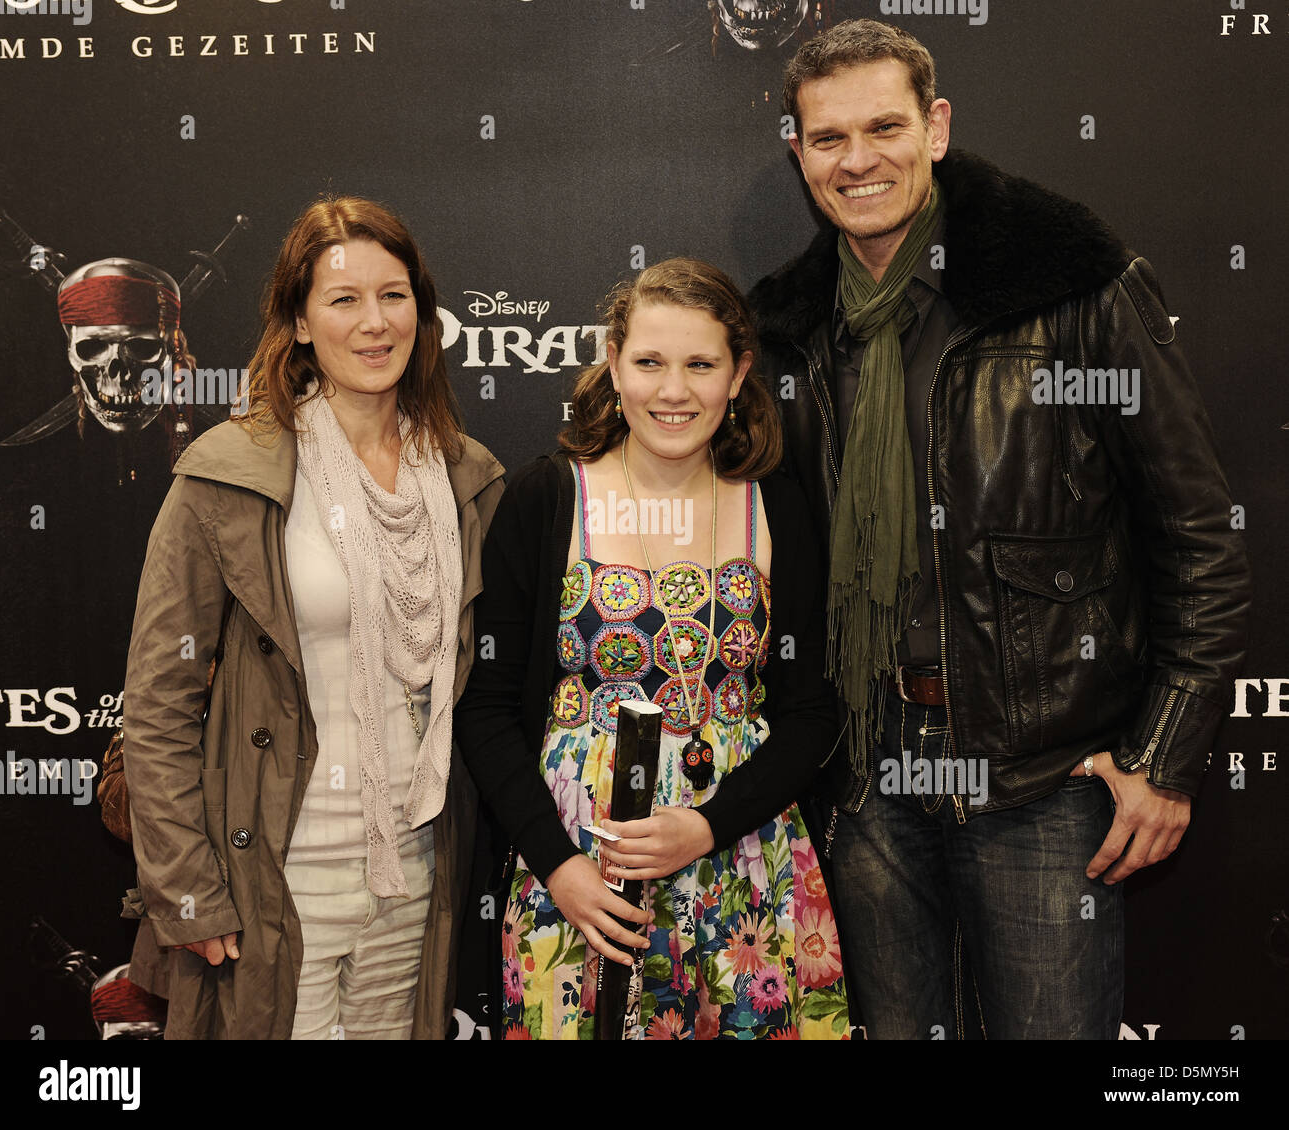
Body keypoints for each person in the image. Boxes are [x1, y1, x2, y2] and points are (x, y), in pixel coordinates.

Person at [749, 19, 1250, 1039]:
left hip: (1041, 774)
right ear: (797, 152)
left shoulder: (1072, 286)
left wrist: (1163, 757)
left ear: (934, 127)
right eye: (829, 137)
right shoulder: (792, 329)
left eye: (883, 126)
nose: (858, 159)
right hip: (867, 771)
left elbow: (1197, 535)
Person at [120, 196, 504, 1039]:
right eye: (343, 299)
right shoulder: (229, 475)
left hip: (416, 877)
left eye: (394, 295)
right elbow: (157, 702)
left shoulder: (466, 478)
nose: (375, 323)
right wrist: (189, 887)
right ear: (298, 321)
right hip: (273, 882)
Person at [456, 258, 849, 1039]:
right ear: (613, 363)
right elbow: (489, 709)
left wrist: (708, 825)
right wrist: (555, 864)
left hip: (746, 867)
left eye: (701, 365)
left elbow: (813, 713)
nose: (674, 392)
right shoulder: (545, 498)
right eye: (649, 363)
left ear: (739, 374)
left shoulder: (776, 504)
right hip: (576, 880)